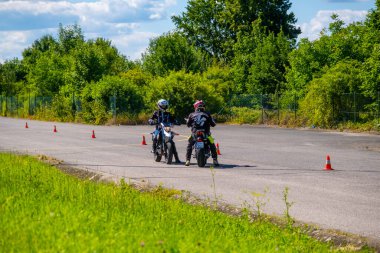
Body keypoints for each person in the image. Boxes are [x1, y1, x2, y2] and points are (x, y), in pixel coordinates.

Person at [185, 100, 219, 167]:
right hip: (206, 133)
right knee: (212, 144)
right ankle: (215, 160)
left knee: (189, 144)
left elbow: (188, 124)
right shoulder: (207, 114)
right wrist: (213, 120)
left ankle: (187, 160)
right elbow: (213, 124)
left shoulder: (191, 114)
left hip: (195, 133)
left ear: (196, 107)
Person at [148, 99, 181, 163]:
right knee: (155, 137)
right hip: (159, 129)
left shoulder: (168, 113)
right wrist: (151, 121)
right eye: (162, 106)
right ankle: (154, 150)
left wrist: (177, 122)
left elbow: (173, 119)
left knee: (172, 142)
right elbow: (151, 118)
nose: (164, 107)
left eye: (165, 106)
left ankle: (177, 158)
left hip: (167, 128)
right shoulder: (156, 113)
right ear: (159, 105)